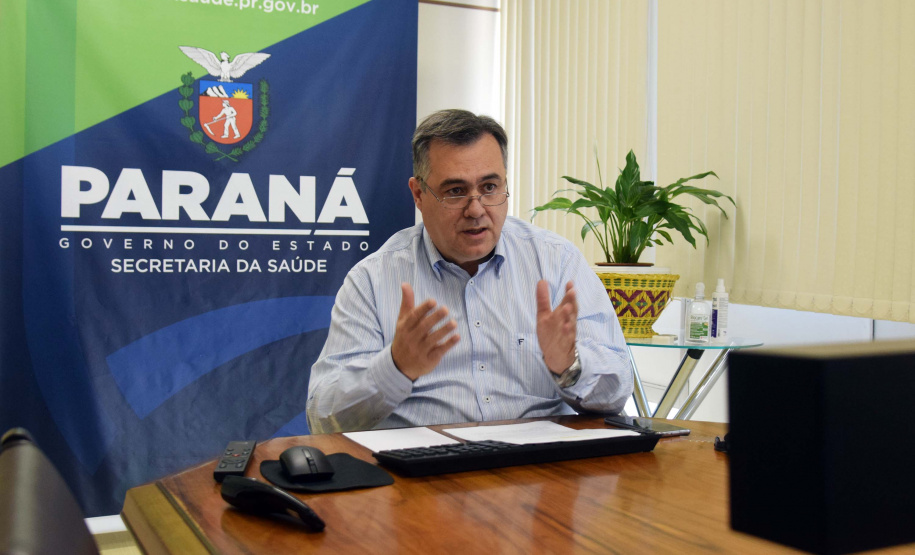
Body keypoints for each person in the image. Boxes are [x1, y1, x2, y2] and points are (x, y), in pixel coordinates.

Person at [306, 109, 632, 434]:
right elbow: (323, 418)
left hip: (538, 469)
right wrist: (395, 367)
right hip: (423, 471)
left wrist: (569, 365)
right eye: (455, 191)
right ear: (419, 194)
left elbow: (617, 394)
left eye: (489, 187)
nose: (476, 209)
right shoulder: (372, 280)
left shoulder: (556, 261)